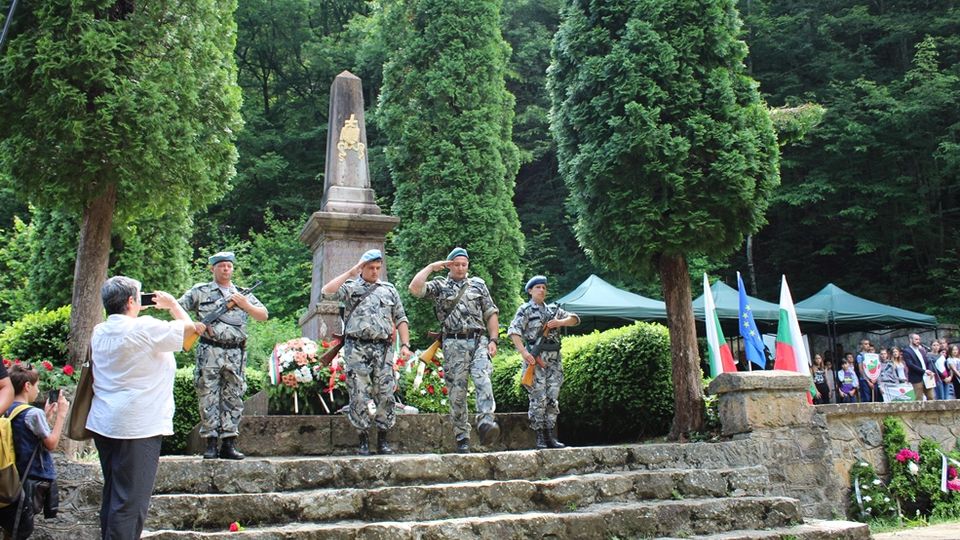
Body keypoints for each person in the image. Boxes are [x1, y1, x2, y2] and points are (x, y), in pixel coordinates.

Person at [88, 276, 194, 539]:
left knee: (114, 495)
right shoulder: (145, 328)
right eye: (139, 295)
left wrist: (135, 308)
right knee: (131, 503)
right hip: (137, 427)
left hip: (105, 423)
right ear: (131, 301)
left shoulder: (99, 330)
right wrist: (171, 305)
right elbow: (190, 330)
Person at [409, 247, 500, 453]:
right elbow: (415, 289)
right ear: (449, 265)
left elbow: (490, 312)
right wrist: (432, 268)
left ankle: (486, 422)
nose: (460, 268)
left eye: (464, 264)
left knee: (482, 378)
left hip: (478, 340)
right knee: (457, 392)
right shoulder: (440, 285)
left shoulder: (478, 284)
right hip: (453, 343)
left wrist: (494, 339)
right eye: (456, 264)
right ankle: (462, 437)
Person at [321, 249, 412, 455]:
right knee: (358, 394)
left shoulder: (389, 290)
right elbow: (327, 291)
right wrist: (351, 272)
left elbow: (401, 318)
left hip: (383, 348)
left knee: (385, 393)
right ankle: (362, 438)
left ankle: (382, 438)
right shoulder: (351, 288)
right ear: (363, 267)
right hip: (357, 347)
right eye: (371, 268)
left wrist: (405, 345)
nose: (375, 271)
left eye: (378, 268)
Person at [179, 252, 268, 460]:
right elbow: (177, 308)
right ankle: (210, 442)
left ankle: (229, 442)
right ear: (213, 269)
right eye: (221, 266)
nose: (226, 269)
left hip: (235, 352)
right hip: (210, 349)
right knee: (207, 395)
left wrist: (245, 304)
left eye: (229, 266)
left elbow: (263, 315)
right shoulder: (200, 291)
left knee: (233, 396)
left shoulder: (242, 293)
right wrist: (194, 325)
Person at [507, 275, 579, 449]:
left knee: (552, 399)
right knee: (538, 398)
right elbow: (513, 331)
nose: (541, 290)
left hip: (554, 359)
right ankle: (539, 436)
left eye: (544, 288)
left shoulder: (553, 310)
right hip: (535, 358)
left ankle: (550, 435)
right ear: (530, 290)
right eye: (538, 287)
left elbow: (576, 319)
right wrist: (524, 353)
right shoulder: (525, 309)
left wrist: (559, 322)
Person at [0, 365, 68, 539]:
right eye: (37, 386)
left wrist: (46, 417)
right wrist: (61, 415)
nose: (38, 391)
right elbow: (51, 443)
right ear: (27, 386)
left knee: (11, 524)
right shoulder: (33, 413)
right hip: (31, 477)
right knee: (21, 527)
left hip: (10, 476)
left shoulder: (6, 409)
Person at [902, 333, 934, 401]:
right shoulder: (906, 351)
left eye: (919, 339)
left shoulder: (922, 350)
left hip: (927, 377)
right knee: (919, 398)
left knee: (931, 397)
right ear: (910, 340)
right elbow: (910, 365)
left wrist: (930, 371)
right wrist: (924, 371)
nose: (918, 341)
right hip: (917, 377)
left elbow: (928, 362)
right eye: (916, 339)